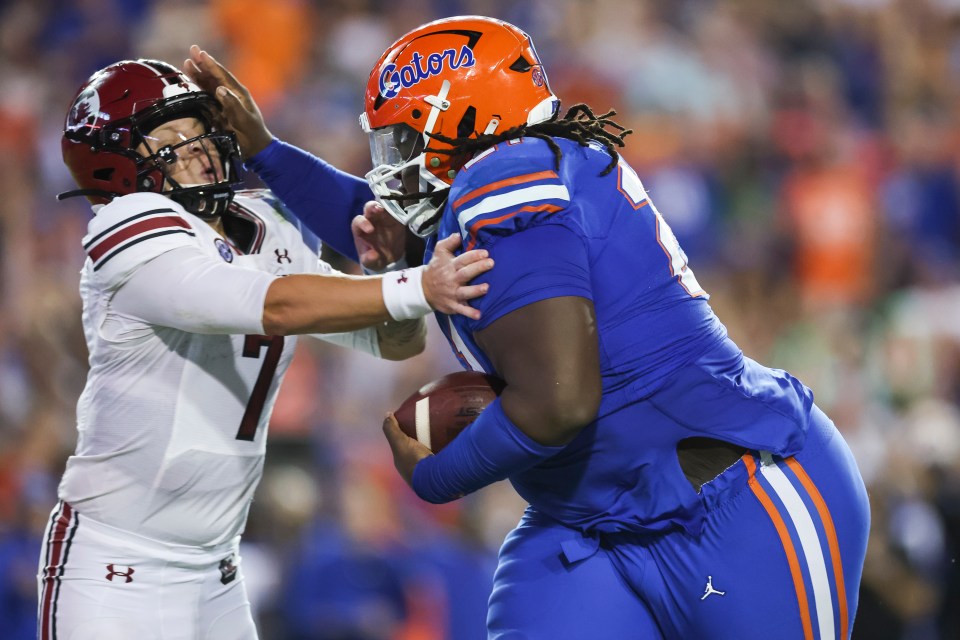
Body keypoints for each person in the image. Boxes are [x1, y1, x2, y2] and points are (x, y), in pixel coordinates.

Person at [188, 18, 871, 638]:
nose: (387, 159)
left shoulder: (503, 176)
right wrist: (265, 150)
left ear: (457, 118)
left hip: (734, 501)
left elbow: (559, 401)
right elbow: (373, 223)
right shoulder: (498, 185)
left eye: (400, 135)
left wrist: (434, 479)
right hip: (589, 519)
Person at [39, 58, 493, 640]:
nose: (199, 146)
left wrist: (392, 270)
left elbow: (393, 341)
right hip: (118, 564)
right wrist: (416, 285)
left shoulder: (269, 219)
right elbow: (271, 304)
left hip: (218, 569)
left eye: (200, 128)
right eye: (171, 139)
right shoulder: (128, 223)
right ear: (117, 164)